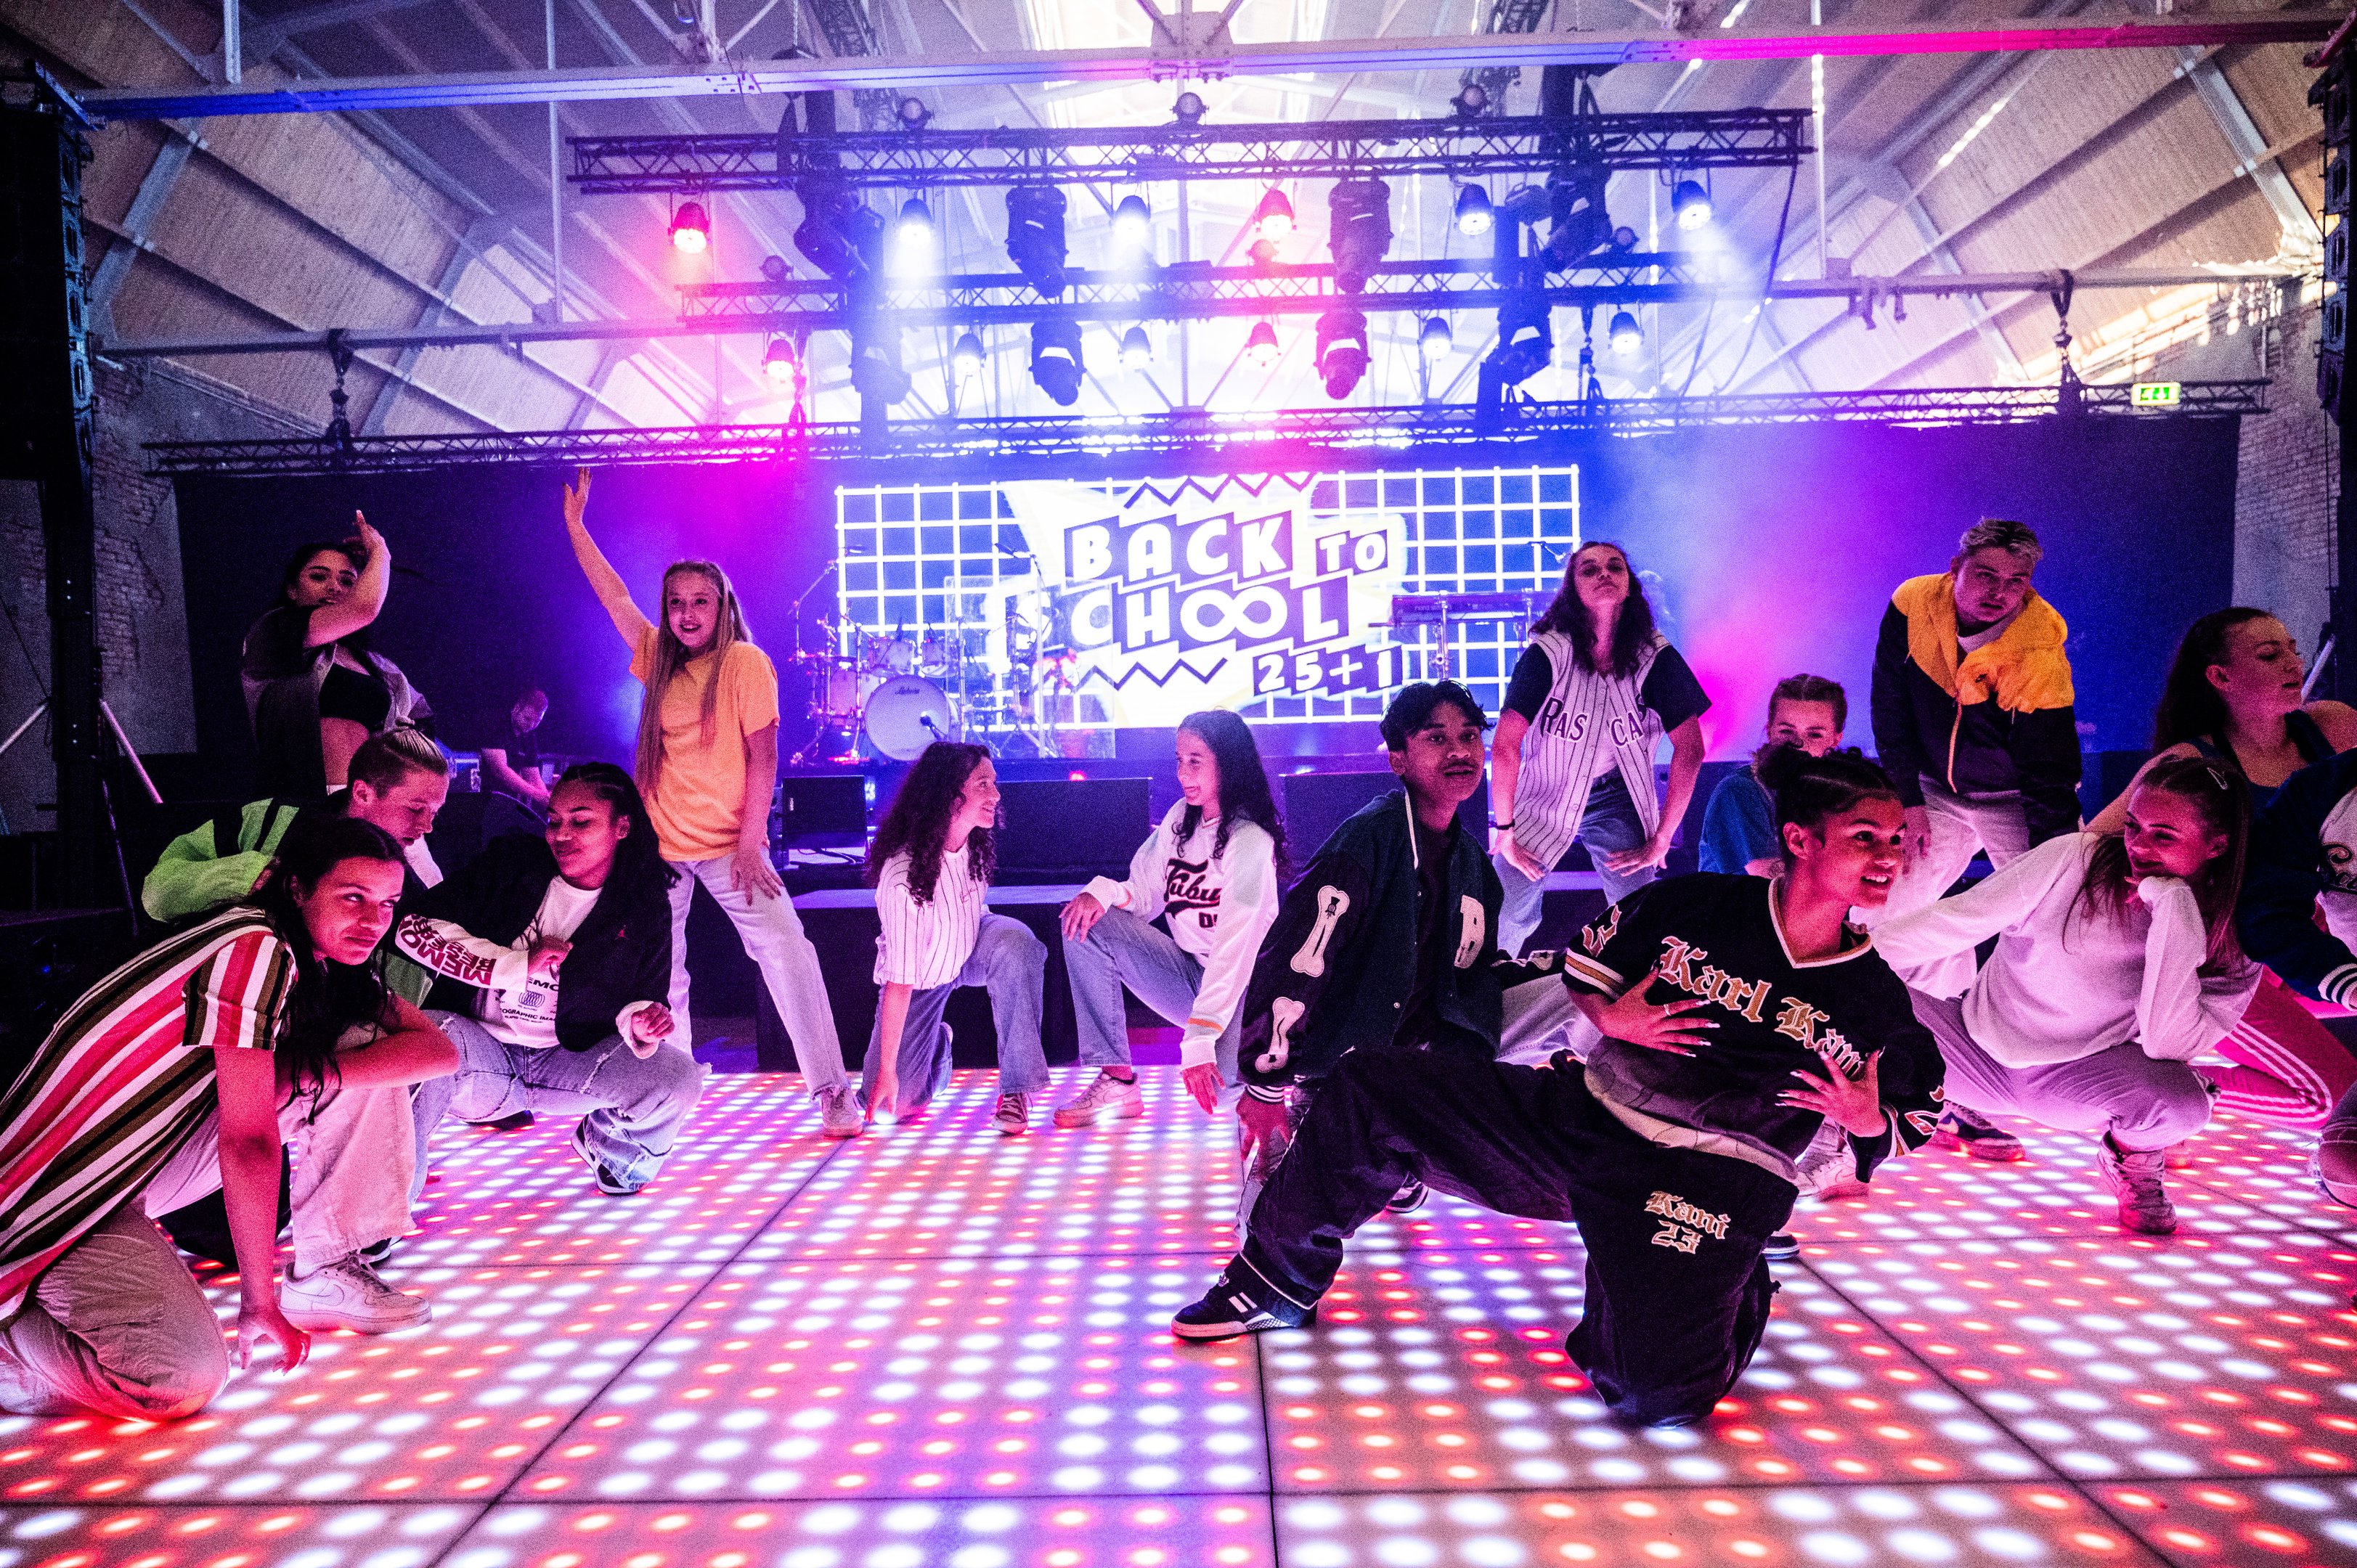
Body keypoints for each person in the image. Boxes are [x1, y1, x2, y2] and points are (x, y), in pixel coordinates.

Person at [1176, 747, 1945, 1431]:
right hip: (1584, 1121)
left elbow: (1914, 1112)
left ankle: (1734, 1285)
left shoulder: (1875, 1000)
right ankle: (1274, 1281)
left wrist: (1864, 1114)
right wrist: (1612, 1014)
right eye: (1865, 839)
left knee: (1652, 1399)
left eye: (1895, 842)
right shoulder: (1695, 906)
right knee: (1372, 1082)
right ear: (1802, 840)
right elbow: (1583, 966)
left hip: (1709, 1186)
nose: (1888, 857)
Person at [0, 816, 457, 1420]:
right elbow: (247, 1142)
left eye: (387, 904)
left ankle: (326, 1267)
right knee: (181, 1379)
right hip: (47, 1196)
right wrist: (258, 1299)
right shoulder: (254, 945)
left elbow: (438, 1052)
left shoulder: (309, 960)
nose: (373, 921)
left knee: (360, 1048)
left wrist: (314, 1074)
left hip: (129, 1173)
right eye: (353, 897)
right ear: (297, 889)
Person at [562, 467, 858, 1138]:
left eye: (700, 601)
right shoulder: (658, 660)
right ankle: (673, 1096)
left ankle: (834, 1091)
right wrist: (578, 528)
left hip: (732, 846)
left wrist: (752, 841)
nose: (687, 614)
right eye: (676, 604)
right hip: (661, 849)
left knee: (788, 951)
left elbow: (764, 756)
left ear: (722, 605)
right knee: (667, 979)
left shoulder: (746, 663)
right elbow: (612, 597)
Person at [1876, 757, 2257, 1235]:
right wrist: (1835, 959)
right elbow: (1952, 923)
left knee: (2185, 1106)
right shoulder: (2075, 858)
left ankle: (2132, 1158)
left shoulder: (2236, 931)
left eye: (2164, 836)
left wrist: (2175, 909)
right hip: (1969, 1051)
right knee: (1841, 999)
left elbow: (2166, 1044)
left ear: (2217, 845)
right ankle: (1903, 1122)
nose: (2138, 846)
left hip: (2075, 1082)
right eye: (2134, 826)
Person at [1229, 681, 1504, 1229]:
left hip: (1419, 1055)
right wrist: (1265, 1083)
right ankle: (1258, 1272)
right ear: (1398, 759)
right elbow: (1296, 962)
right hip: (1337, 1065)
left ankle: (1404, 1153)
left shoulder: (1474, 863)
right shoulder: (1365, 843)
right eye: (1436, 738)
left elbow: (1472, 978)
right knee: (1272, 1227)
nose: (1460, 751)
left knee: (1577, 989)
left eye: (1470, 736)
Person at [2083, 610, 2357, 1135]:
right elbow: (2092, 844)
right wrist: (2156, 887)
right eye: (2269, 655)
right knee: (2327, 1099)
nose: (2293, 664)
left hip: (2295, 947)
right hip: (2223, 962)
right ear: (2219, 677)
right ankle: (2159, 1089)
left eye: (2293, 649)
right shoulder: (2193, 762)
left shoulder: (2334, 726)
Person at [1866, 517, 2080, 1159]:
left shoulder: (2038, 650)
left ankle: (2025, 1065)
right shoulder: (1912, 603)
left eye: (2016, 582)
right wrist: (1906, 799)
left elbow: (2050, 771)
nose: (1999, 592)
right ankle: (1876, 1044)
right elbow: (1890, 707)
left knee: (2048, 926)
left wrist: (2051, 862)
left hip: (2013, 800)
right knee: (1892, 907)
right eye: (1986, 574)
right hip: (1933, 791)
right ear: (1955, 567)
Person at [399, 764, 703, 1198]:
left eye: (581, 822)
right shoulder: (512, 864)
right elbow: (414, 928)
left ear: (622, 827)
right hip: (482, 1054)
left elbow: (644, 999)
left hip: (569, 1062)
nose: (561, 835)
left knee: (679, 1078)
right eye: (555, 821)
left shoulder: (645, 903)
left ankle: (611, 1152)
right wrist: (516, 965)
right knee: (422, 1041)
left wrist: (641, 1023)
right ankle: (380, 1218)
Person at [1054, 711, 1286, 1128]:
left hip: (1247, 992)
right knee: (1085, 923)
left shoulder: (1249, 839)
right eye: (1179, 760)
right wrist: (1101, 892)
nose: (1182, 773)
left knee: (1229, 1089)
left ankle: (1298, 1080)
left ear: (1228, 764)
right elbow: (1143, 896)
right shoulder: (1181, 818)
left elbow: (1235, 950)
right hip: (1189, 977)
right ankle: (1117, 1079)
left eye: (1195, 761)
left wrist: (1199, 1037)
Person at [1490, 541, 1710, 958]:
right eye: (1589, 570)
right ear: (1572, 589)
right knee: (1505, 911)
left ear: (1629, 585)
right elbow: (1504, 745)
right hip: (1546, 791)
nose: (1604, 574)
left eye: (1615, 567)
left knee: (1640, 916)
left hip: (1616, 795)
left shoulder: (1654, 655)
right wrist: (1505, 832)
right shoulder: (1547, 652)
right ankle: (1483, 997)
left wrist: (1662, 839)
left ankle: (1632, 1004)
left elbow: (1691, 747)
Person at [860, 743, 1049, 1133]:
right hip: (919, 982)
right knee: (889, 1106)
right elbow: (899, 985)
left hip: (972, 944)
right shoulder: (903, 880)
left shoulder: (975, 841)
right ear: (949, 795)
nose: (996, 795)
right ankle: (937, 1050)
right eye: (983, 785)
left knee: (1019, 946)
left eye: (994, 783)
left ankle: (1017, 1090)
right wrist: (888, 1071)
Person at [2237, 749, 2357, 1206]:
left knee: (2323, 1098)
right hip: (2234, 975)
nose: (2292, 671)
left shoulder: (2321, 729)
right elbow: (2266, 913)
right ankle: (2165, 1106)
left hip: (2288, 978)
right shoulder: (2321, 789)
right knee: (2343, 1153)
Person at [242, 522, 432, 797]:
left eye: (347, 581)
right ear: (292, 589)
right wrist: (380, 551)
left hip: (376, 802)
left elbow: (420, 715)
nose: (334, 587)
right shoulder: (272, 633)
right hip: (309, 803)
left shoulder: (377, 666)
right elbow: (364, 608)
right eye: (319, 577)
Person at [1701, 675, 1848, 878]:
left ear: (1835, 740)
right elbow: (1773, 882)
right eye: (1787, 731)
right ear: (1770, 731)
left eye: (1815, 735)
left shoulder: (1839, 795)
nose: (1799, 744)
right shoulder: (1741, 791)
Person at [478, 687, 554, 842]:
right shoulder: (495, 724)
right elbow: (500, 770)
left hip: (507, 805)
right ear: (517, 708)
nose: (531, 725)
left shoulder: (529, 736)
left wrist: (548, 800)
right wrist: (538, 795)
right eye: (527, 719)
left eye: (537, 721)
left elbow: (533, 776)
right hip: (483, 801)